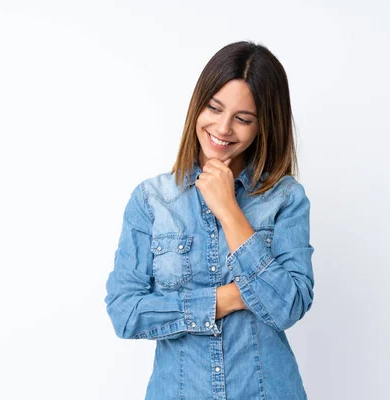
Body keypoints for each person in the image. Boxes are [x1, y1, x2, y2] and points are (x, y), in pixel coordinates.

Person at [104, 40, 315, 400]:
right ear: (197, 105)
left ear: (263, 125)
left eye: (243, 119)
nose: (223, 128)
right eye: (214, 108)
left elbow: (288, 306)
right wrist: (228, 298)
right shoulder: (152, 201)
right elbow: (125, 313)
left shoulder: (285, 198)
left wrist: (230, 211)